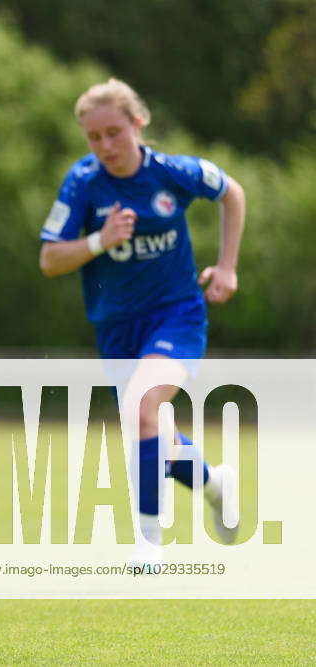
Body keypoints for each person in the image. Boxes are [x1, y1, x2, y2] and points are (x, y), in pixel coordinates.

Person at [38, 78, 247, 565]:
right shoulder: (84, 182)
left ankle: (149, 541)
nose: (106, 145)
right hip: (116, 329)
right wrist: (99, 241)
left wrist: (229, 265)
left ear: (138, 123)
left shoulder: (173, 173)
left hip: (177, 317)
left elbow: (232, 193)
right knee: (149, 426)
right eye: (95, 137)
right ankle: (216, 482)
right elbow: (50, 259)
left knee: (144, 407)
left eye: (114, 132)